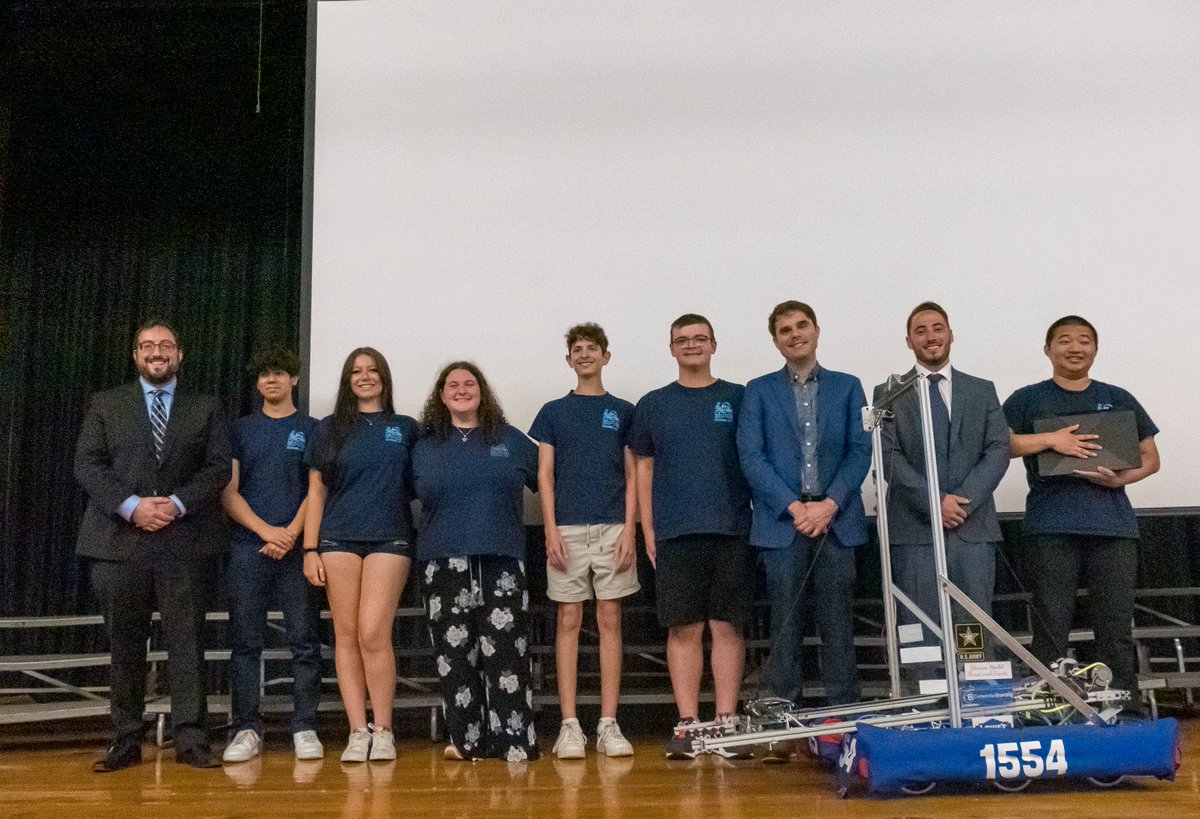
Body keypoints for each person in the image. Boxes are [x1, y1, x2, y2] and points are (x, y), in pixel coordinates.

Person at [74, 319, 230, 771]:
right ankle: (125, 741)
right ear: (136, 355)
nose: (156, 352)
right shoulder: (106, 404)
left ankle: (192, 740)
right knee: (125, 647)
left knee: (187, 643)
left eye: (165, 346)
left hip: (185, 542)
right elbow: (87, 464)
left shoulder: (205, 407)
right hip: (118, 542)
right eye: (147, 346)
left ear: (180, 355)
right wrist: (131, 506)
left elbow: (218, 467)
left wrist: (177, 504)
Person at [1004, 315, 1159, 697]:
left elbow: (1150, 458)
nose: (1075, 348)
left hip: (1113, 529)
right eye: (1065, 340)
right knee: (1050, 627)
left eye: (1084, 341)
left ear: (1095, 349)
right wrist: (1050, 440)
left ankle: (1125, 706)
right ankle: (1048, 706)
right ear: (1047, 349)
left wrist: (1122, 479)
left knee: (1115, 628)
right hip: (1050, 528)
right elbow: (1002, 445)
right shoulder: (1028, 398)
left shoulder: (1119, 397)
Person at [737, 301, 871, 734]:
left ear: (816, 330)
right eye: (784, 330)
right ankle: (780, 721)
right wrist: (796, 508)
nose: (794, 334)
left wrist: (829, 504)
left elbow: (860, 451)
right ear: (775, 340)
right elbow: (751, 457)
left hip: (837, 520)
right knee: (784, 622)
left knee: (837, 621)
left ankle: (845, 718)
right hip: (783, 523)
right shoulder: (757, 390)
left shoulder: (849, 387)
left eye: (801, 326)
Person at [628, 313, 753, 760]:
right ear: (672, 348)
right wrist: (647, 529)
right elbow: (643, 466)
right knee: (684, 629)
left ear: (714, 345)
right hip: (675, 532)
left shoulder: (738, 397)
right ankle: (687, 725)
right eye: (683, 340)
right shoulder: (653, 403)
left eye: (700, 338)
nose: (692, 345)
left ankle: (725, 722)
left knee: (726, 627)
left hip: (732, 529)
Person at [872, 302, 1009, 678]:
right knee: (920, 629)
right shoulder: (888, 391)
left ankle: (979, 708)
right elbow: (888, 456)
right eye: (921, 330)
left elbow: (998, 448)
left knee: (974, 628)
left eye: (937, 328)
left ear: (951, 334)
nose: (930, 337)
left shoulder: (982, 390)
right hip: (915, 530)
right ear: (908, 340)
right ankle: (925, 711)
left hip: (971, 527)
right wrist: (934, 503)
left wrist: (961, 502)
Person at [412, 362, 540, 762]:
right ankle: (468, 743)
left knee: (507, 654)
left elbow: (552, 485)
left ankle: (515, 742)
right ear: (441, 395)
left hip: (502, 560)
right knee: (454, 659)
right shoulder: (424, 446)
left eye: (470, 383)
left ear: (482, 392)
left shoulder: (513, 440)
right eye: (453, 384)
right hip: (442, 562)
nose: (462, 390)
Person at [302, 348, 420, 762]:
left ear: (384, 378)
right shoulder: (329, 429)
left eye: (372, 371)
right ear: (347, 380)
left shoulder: (406, 428)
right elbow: (316, 492)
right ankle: (357, 731)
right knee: (346, 635)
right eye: (357, 371)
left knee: (373, 633)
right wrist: (310, 548)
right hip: (337, 539)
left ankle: (383, 729)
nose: (365, 377)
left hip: (390, 538)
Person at [529, 323, 637, 760]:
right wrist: (550, 529)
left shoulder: (624, 410)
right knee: (568, 620)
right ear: (569, 359)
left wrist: (631, 528)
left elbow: (633, 474)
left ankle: (608, 724)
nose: (586, 354)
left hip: (614, 527)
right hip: (567, 530)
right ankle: (569, 724)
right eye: (578, 349)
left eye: (593, 348)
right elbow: (544, 475)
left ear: (606, 357)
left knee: (610, 618)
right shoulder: (553, 412)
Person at [221, 346, 323, 763]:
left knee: (305, 642)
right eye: (264, 375)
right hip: (249, 548)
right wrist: (267, 531)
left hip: (298, 551)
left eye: (279, 373)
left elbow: (317, 489)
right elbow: (227, 492)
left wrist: (291, 535)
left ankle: (305, 727)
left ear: (294, 379)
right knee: (246, 643)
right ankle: (246, 728)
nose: (271, 380)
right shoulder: (239, 429)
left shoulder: (314, 429)